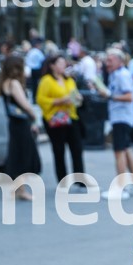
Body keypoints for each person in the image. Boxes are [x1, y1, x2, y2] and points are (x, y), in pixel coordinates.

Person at [95, 48, 133, 200]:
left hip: (121, 117)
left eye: (110, 60)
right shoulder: (118, 74)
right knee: (126, 150)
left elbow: (129, 96)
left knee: (119, 151)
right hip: (121, 117)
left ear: (120, 61)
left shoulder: (122, 75)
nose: (107, 63)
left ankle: (121, 188)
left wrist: (110, 95)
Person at [0, 55, 42, 200]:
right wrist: (34, 115)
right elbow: (25, 105)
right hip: (21, 123)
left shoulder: (4, 82)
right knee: (24, 155)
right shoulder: (14, 83)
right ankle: (21, 190)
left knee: (17, 154)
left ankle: (18, 188)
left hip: (13, 122)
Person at [36, 55, 85, 185]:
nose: (63, 66)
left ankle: (79, 178)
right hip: (55, 118)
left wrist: (78, 98)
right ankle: (62, 179)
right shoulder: (46, 80)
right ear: (52, 65)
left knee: (76, 148)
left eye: (64, 63)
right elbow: (41, 100)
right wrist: (59, 100)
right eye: (60, 63)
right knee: (59, 150)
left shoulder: (69, 80)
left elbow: (75, 96)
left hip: (71, 117)